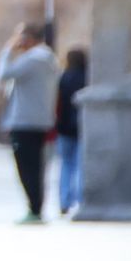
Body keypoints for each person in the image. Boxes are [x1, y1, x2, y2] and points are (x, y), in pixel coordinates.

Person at [0, 22, 61, 223]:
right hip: (38, 120)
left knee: (27, 167)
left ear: (28, 38)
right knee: (35, 167)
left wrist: (7, 51)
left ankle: (34, 208)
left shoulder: (35, 58)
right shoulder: (47, 58)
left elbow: (3, 75)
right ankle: (36, 206)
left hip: (26, 121)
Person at [57, 47, 89, 216]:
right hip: (83, 126)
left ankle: (64, 200)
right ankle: (79, 199)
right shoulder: (88, 77)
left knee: (66, 165)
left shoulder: (64, 77)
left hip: (64, 127)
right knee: (80, 164)